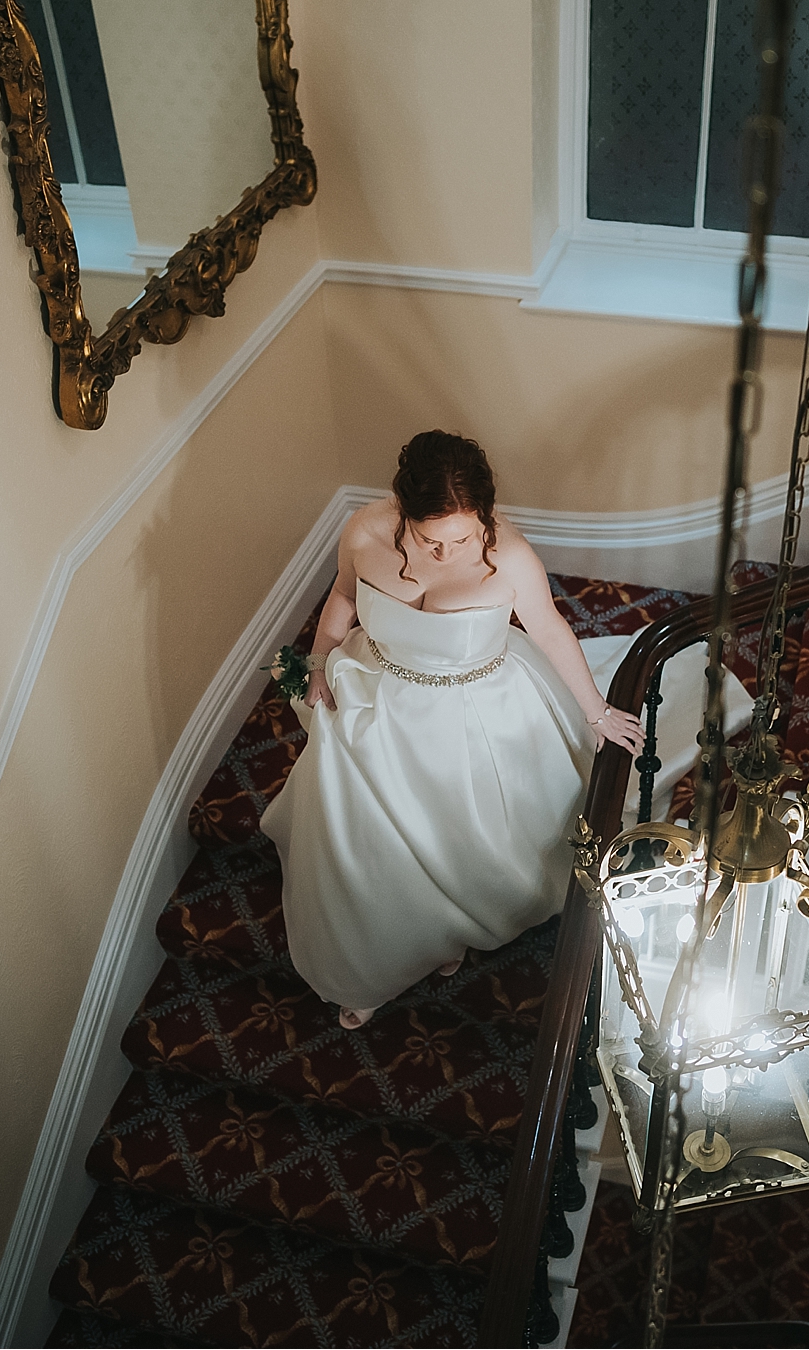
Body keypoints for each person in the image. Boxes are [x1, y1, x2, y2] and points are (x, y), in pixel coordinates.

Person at [260, 430, 748, 1029]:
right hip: (377, 700)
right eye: (426, 538)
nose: (443, 554)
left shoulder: (510, 556)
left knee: (469, 833)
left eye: (461, 538)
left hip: (477, 708)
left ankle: (458, 922)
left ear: (484, 519)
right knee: (369, 846)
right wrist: (319, 662)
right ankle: (387, 952)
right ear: (401, 512)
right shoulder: (363, 531)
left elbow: (548, 630)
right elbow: (341, 596)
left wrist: (595, 711)